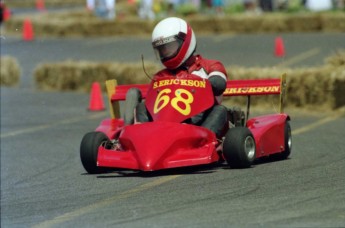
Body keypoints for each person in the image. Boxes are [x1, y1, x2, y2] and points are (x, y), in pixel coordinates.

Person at [135, 17, 228, 138]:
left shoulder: (210, 66)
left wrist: (205, 84)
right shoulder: (161, 76)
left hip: (199, 123)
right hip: (163, 125)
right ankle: (142, 138)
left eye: (169, 48)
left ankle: (202, 142)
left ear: (185, 41)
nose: (165, 53)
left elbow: (219, 83)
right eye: (162, 50)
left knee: (220, 111)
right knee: (142, 106)